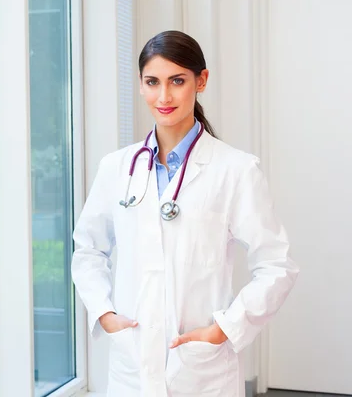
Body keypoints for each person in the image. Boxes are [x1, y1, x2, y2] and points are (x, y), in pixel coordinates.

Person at [71, 30, 299, 397]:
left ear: (201, 81)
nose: (164, 96)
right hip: (132, 362)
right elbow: (87, 251)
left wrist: (225, 328)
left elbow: (277, 265)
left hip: (201, 370)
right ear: (141, 86)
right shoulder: (116, 168)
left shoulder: (235, 170)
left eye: (177, 81)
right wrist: (104, 314)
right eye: (152, 82)